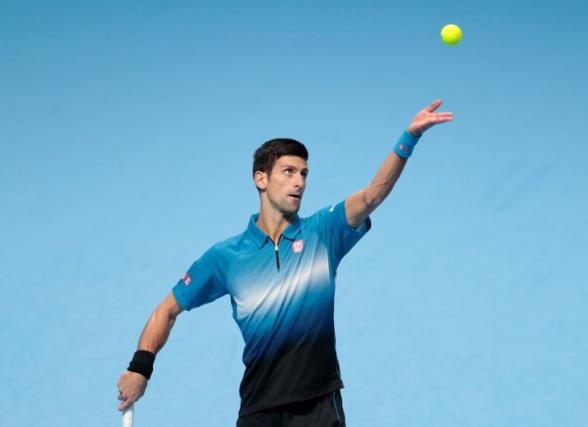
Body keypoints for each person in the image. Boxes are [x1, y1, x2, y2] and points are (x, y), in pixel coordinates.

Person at [117, 100, 453, 426]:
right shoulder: (226, 256)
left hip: (319, 405)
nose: (299, 182)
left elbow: (372, 196)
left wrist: (409, 138)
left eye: (304, 173)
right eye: (289, 172)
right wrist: (139, 368)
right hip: (259, 408)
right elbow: (166, 310)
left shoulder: (324, 232)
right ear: (260, 179)